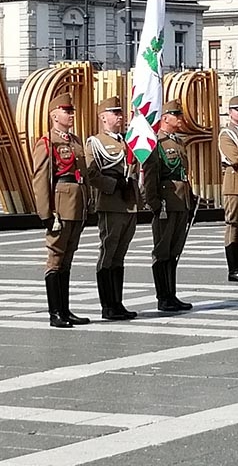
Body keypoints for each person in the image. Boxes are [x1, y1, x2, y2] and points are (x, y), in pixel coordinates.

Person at [32, 93, 90, 328]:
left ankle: (65, 309)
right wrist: (46, 213)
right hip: (60, 206)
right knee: (55, 258)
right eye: (66, 111)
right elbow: (41, 179)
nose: (71, 115)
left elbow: (82, 175)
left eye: (71, 111)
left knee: (68, 258)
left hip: (76, 205)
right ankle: (55, 312)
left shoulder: (75, 141)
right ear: (54, 115)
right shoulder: (47, 142)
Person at [85, 95, 139, 321]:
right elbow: (91, 173)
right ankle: (107, 304)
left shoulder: (127, 141)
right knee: (108, 252)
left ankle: (118, 302)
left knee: (120, 255)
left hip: (128, 203)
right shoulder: (95, 142)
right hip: (111, 202)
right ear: (102, 117)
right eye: (115, 113)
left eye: (121, 113)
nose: (120, 117)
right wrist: (113, 184)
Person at [142, 99, 195, 313]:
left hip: (180, 202)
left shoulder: (179, 142)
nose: (181, 119)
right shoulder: (156, 143)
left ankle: (171, 294)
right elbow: (150, 177)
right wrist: (154, 204)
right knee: (162, 251)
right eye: (177, 115)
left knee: (174, 250)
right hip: (165, 202)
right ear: (165, 118)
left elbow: (184, 174)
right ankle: (163, 297)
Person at [218, 96, 238, 282]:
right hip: (233, 183)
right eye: (236, 109)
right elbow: (236, 158)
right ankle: (234, 267)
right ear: (229, 112)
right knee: (234, 224)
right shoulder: (227, 134)